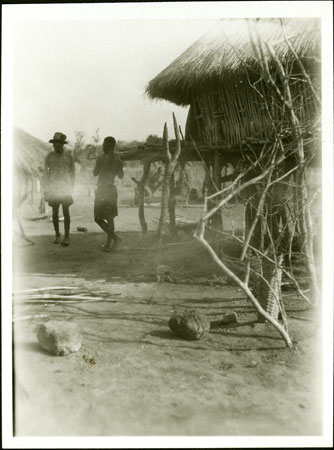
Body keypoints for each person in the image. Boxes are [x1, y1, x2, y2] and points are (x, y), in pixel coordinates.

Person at [44, 132, 75, 246]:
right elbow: (45, 175)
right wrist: (46, 190)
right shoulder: (49, 157)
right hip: (53, 188)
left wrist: (72, 188)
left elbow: (73, 173)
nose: (56, 146)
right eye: (54, 144)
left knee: (66, 212)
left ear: (62, 145)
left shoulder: (69, 156)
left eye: (58, 144)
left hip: (65, 188)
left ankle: (67, 237)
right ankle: (57, 235)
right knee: (55, 212)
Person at [94, 136, 124, 251]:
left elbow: (95, 174)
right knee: (109, 218)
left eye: (104, 145)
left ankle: (110, 243)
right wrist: (120, 165)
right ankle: (114, 240)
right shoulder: (118, 160)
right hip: (110, 190)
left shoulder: (101, 159)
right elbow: (121, 176)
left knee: (99, 218)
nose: (103, 147)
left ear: (109, 147)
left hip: (103, 190)